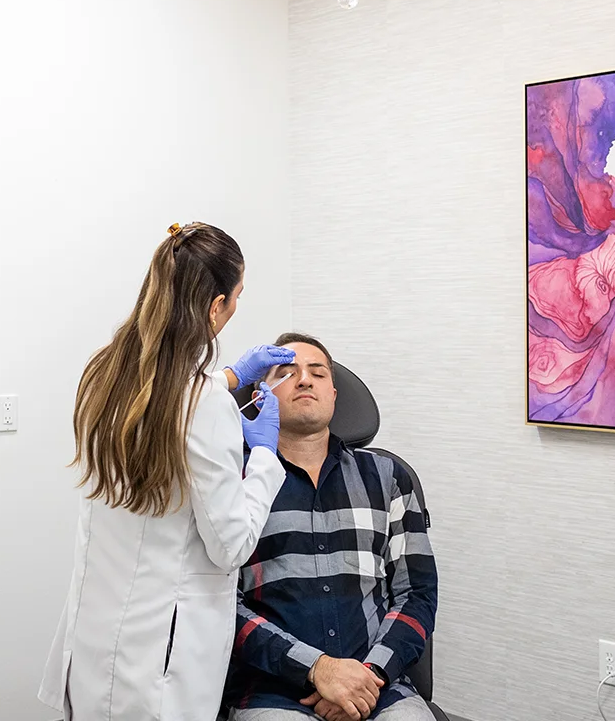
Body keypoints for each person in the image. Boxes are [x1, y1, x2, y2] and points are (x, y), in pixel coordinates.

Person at [39, 223, 298, 721]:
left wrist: (228, 379)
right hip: (158, 666)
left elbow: (165, 404)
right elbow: (230, 547)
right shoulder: (202, 406)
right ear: (213, 307)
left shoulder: (105, 374)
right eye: (237, 296)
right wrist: (265, 458)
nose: (237, 308)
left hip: (96, 643)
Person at [224, 334, 439, 721]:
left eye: (318, 373)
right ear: (260, 397)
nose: (305, 380)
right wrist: (317, 669)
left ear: (334, 395)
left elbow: (417, 594)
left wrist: (369, 677)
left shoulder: (389, 478)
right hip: (274, 689)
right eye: (287, 373)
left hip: (378, 686)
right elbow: (221, 604)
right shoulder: (234, 480)